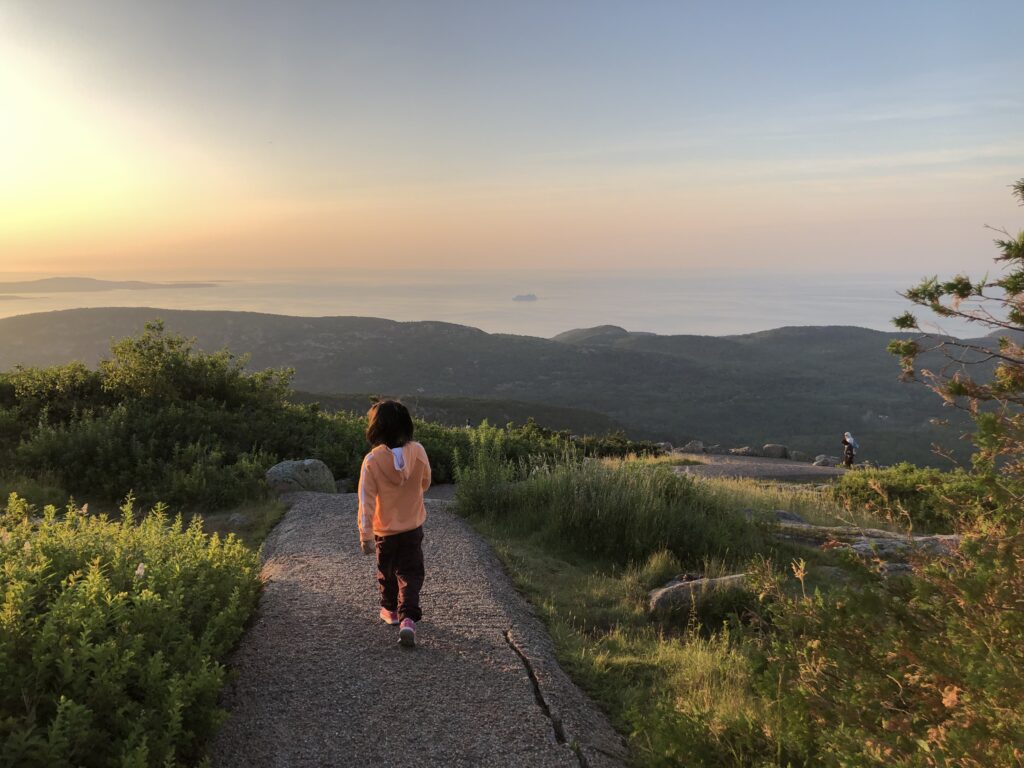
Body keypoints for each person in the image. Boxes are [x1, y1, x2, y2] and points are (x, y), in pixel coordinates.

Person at [357, 400, 431, 647]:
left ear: (375, 428)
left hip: (384, 531)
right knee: (410, 573)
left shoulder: (371, 461)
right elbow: (425, 482)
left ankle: (389, 610)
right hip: (412, 527)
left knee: (386, 570)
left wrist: (365, 535)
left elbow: (366, 502)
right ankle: (408, 618)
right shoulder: (418, 451)